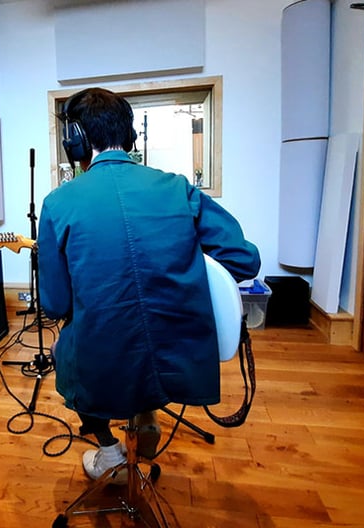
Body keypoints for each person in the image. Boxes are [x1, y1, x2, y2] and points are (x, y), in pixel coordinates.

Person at [37, 88, 261, 481]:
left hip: (104, 358)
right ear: (131, 137)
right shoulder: (177, 188)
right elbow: (245, 259)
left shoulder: (59, 202)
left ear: (76, 141)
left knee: (64, 347)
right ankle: (145, 413)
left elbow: (54, 305)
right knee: (141, 349)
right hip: (179, 352)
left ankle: (110, 450)